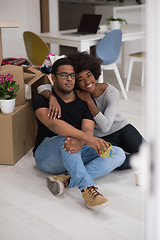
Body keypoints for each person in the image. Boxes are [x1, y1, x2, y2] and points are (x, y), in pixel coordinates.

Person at [32, 57, 125, 210]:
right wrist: (86, 139)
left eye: (72, 75)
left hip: (73, 150)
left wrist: (84, 140)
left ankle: (66, 179)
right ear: (53, 78)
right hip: (46, 156)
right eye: (64, 75)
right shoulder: (41, 100)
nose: (69, 79)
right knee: (68, 138)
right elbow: (54, 124)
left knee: (117, 153)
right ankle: (88, 189)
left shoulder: (84, 100)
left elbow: (88, 129)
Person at [37, 52, 144, 171]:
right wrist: (51, 97)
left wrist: (89, 101)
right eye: (81, 79)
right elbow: (43, 87)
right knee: (111, 157)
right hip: (96, 137)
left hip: (120, 129)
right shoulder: (75, 91)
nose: (87, 82)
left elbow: (106, 126)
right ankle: (83, 172)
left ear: (94, 73)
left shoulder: (110, 92)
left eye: (89, 75)